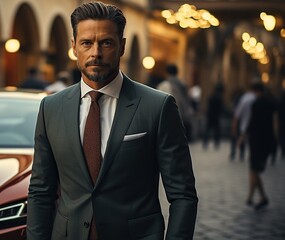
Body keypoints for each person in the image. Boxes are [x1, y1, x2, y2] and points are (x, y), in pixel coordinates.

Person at [27, 2, 198, 240]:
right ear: (74, 47)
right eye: (87, 43)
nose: (95, 52)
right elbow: (40, 192)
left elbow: (183, 195)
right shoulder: (51, 108)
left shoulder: (158, 107)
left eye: (106, 42)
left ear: (122, 47)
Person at [246, 82, 277, 210]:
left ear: (255, 91)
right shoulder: (271, 103)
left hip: (255, 139)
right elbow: (275, 121)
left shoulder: (255, 104)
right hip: (267, 139)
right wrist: (275, 138)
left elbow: (252, 122)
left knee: (254, 169)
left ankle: (261, 196)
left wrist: (242, 136)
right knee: (255, 169)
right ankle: (251, 196)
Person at [157, 64, 194, 142]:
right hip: (183, 113)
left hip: (169, 114)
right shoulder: (183, 84)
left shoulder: (164, 85)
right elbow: (188, 99)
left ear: (167, 73)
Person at [203, 83, 224, 150]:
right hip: (216, 116)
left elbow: (208, 106)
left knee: (208, 130)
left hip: (210, 115)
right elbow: (220, 108)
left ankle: (205, 142)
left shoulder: (211, 97)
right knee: (216, 130)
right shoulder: (219, 98)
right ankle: (216, 143)